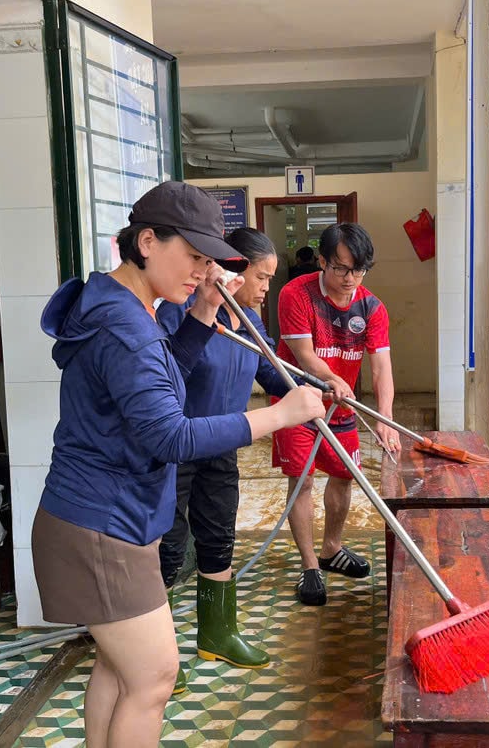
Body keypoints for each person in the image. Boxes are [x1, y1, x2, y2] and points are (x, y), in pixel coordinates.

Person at [31, 181, 325, 748]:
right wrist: (279, 415)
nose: (201, 270)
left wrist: (205, 309)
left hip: (109, 517)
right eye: (193, 256)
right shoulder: (126, 326)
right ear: (147, 241)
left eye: (208, 260)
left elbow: (169, 379)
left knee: (119, 671)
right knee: (154, 676)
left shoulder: (127, 306)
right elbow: (168, 433)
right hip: (101, 526)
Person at [157, 227, 292, 688]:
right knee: (168, 548)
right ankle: (155, 655)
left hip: (222, 447)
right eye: (262, 276)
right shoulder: (183, 314)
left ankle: (218, 633)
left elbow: (275, 377)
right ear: (234, 268)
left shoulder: (248, 325)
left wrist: (322, 391)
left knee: (218, 539)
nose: (265, 287)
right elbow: (171, 374)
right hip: (177, 450)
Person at [272, 222, 401, 606]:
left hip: (339, 405)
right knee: (303, 481)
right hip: (297, 399)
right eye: (342, 268)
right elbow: (304, 355)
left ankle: (331, 549)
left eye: (359, 270)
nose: (350, 279)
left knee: (344, 475)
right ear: (323, 261)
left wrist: (384, 418)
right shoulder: (296, 294)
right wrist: (330, 378)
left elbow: (381, 367)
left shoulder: (372, 307)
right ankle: (311, 566)